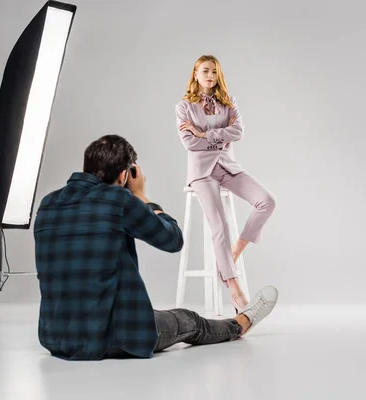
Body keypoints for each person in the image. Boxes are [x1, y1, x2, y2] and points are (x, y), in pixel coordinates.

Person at [33, 134, 278, 361]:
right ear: (124, 174)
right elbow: (173, 239)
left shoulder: (48, 204)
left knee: (153, 313)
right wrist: (141, 196)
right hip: (114, 336)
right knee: (188, 320)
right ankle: (242, 321)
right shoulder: (118, 200)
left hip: (56, 337)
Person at [176, 55, 277, 311]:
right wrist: (218, 137)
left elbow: (239, 131)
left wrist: (206, 134)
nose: (210, 75)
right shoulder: (184, 107)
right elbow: (190, 143)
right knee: (219, 224)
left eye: (214, 72)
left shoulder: (228, 103)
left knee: (267, 201)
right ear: (196, 74)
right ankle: (235, 291)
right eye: (205, 71)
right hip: (202, 172)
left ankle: (233, 254)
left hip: (227, 166)